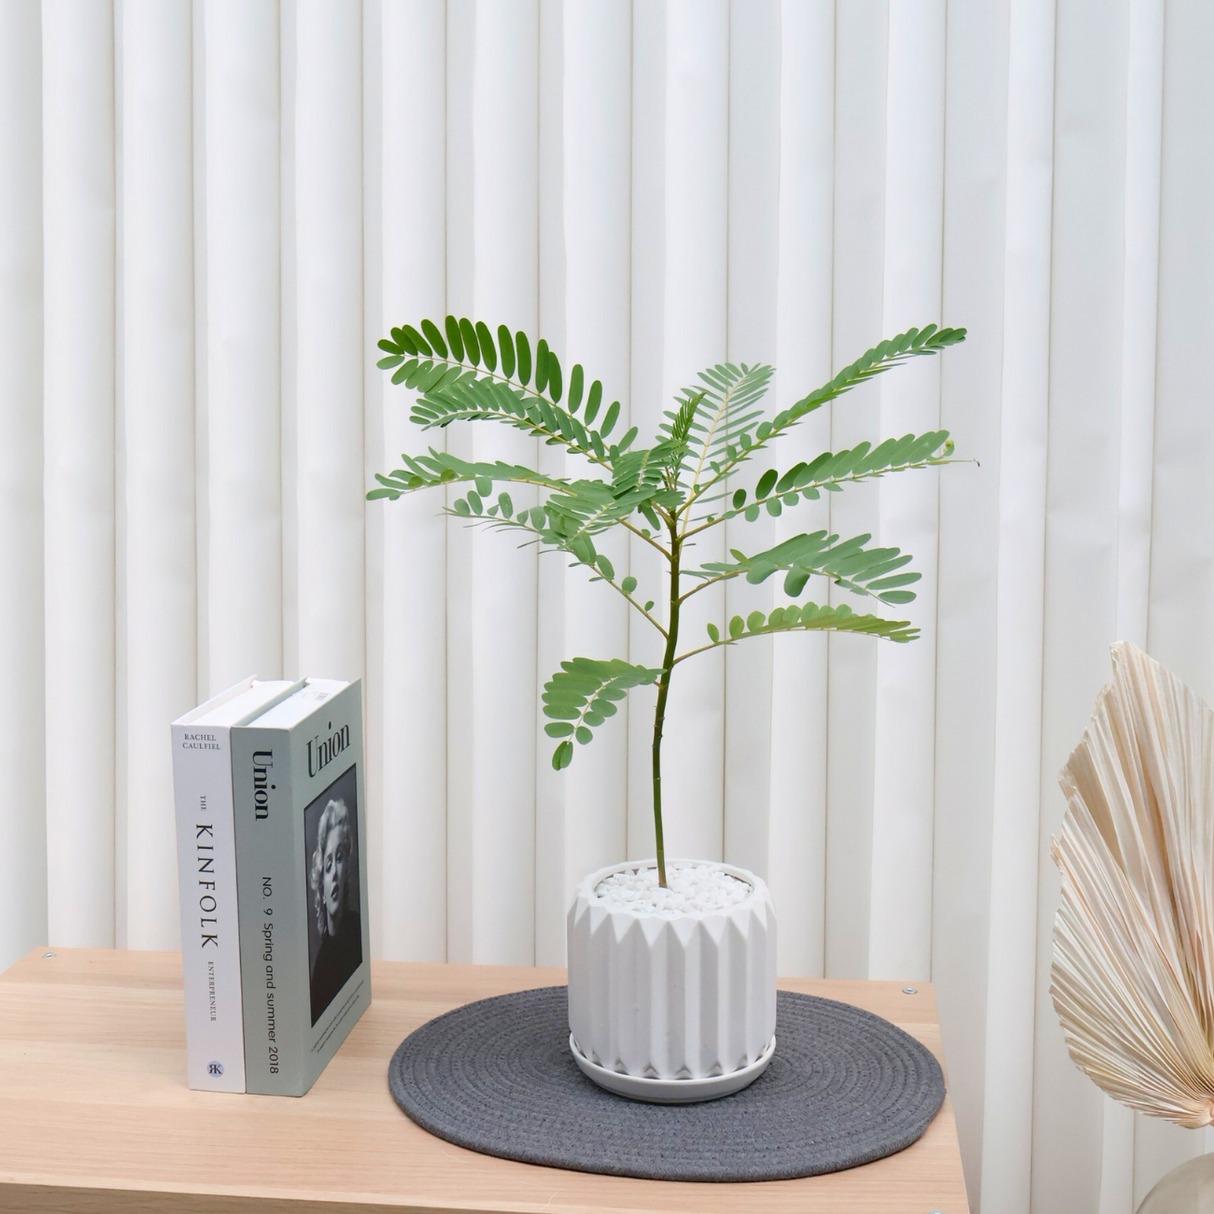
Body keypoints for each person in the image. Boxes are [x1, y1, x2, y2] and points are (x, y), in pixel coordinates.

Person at [308, 797, 362, 1023]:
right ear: (321, 881)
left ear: (347, 866)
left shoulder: (357, 935)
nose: (334, 874)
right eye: (328, 865)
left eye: (339, 859)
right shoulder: (321, 967)